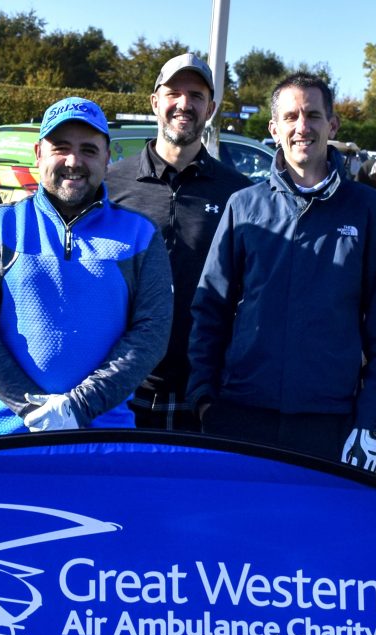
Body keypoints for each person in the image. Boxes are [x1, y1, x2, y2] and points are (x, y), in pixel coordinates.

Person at [186, 73, 376, 472]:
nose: (301, 127)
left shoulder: (368, 211)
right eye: (290, 117)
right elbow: (210, 308)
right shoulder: (244, 206)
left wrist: (372, 422)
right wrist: (203, 396)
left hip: (326, 421)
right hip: (241, 413)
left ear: (332, 125)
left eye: (312, 115)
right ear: (274, 129)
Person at [0, 97, 173, 437]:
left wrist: (78, 407)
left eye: (88, 149)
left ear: (108, 157)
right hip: (0, 435)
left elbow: (151, 334)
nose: (73, 161)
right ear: (39, 154)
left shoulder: (140, 234)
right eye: (61, 147)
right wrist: (31, 408)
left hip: (102, 438)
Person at [105, 53, 251, 430]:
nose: (184, 104)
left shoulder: (239, 193)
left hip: (201, 393)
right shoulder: (110, 186)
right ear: (155, 102)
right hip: (119, 386)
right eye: (174, 92)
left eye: (196, 95)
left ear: (211, 108)